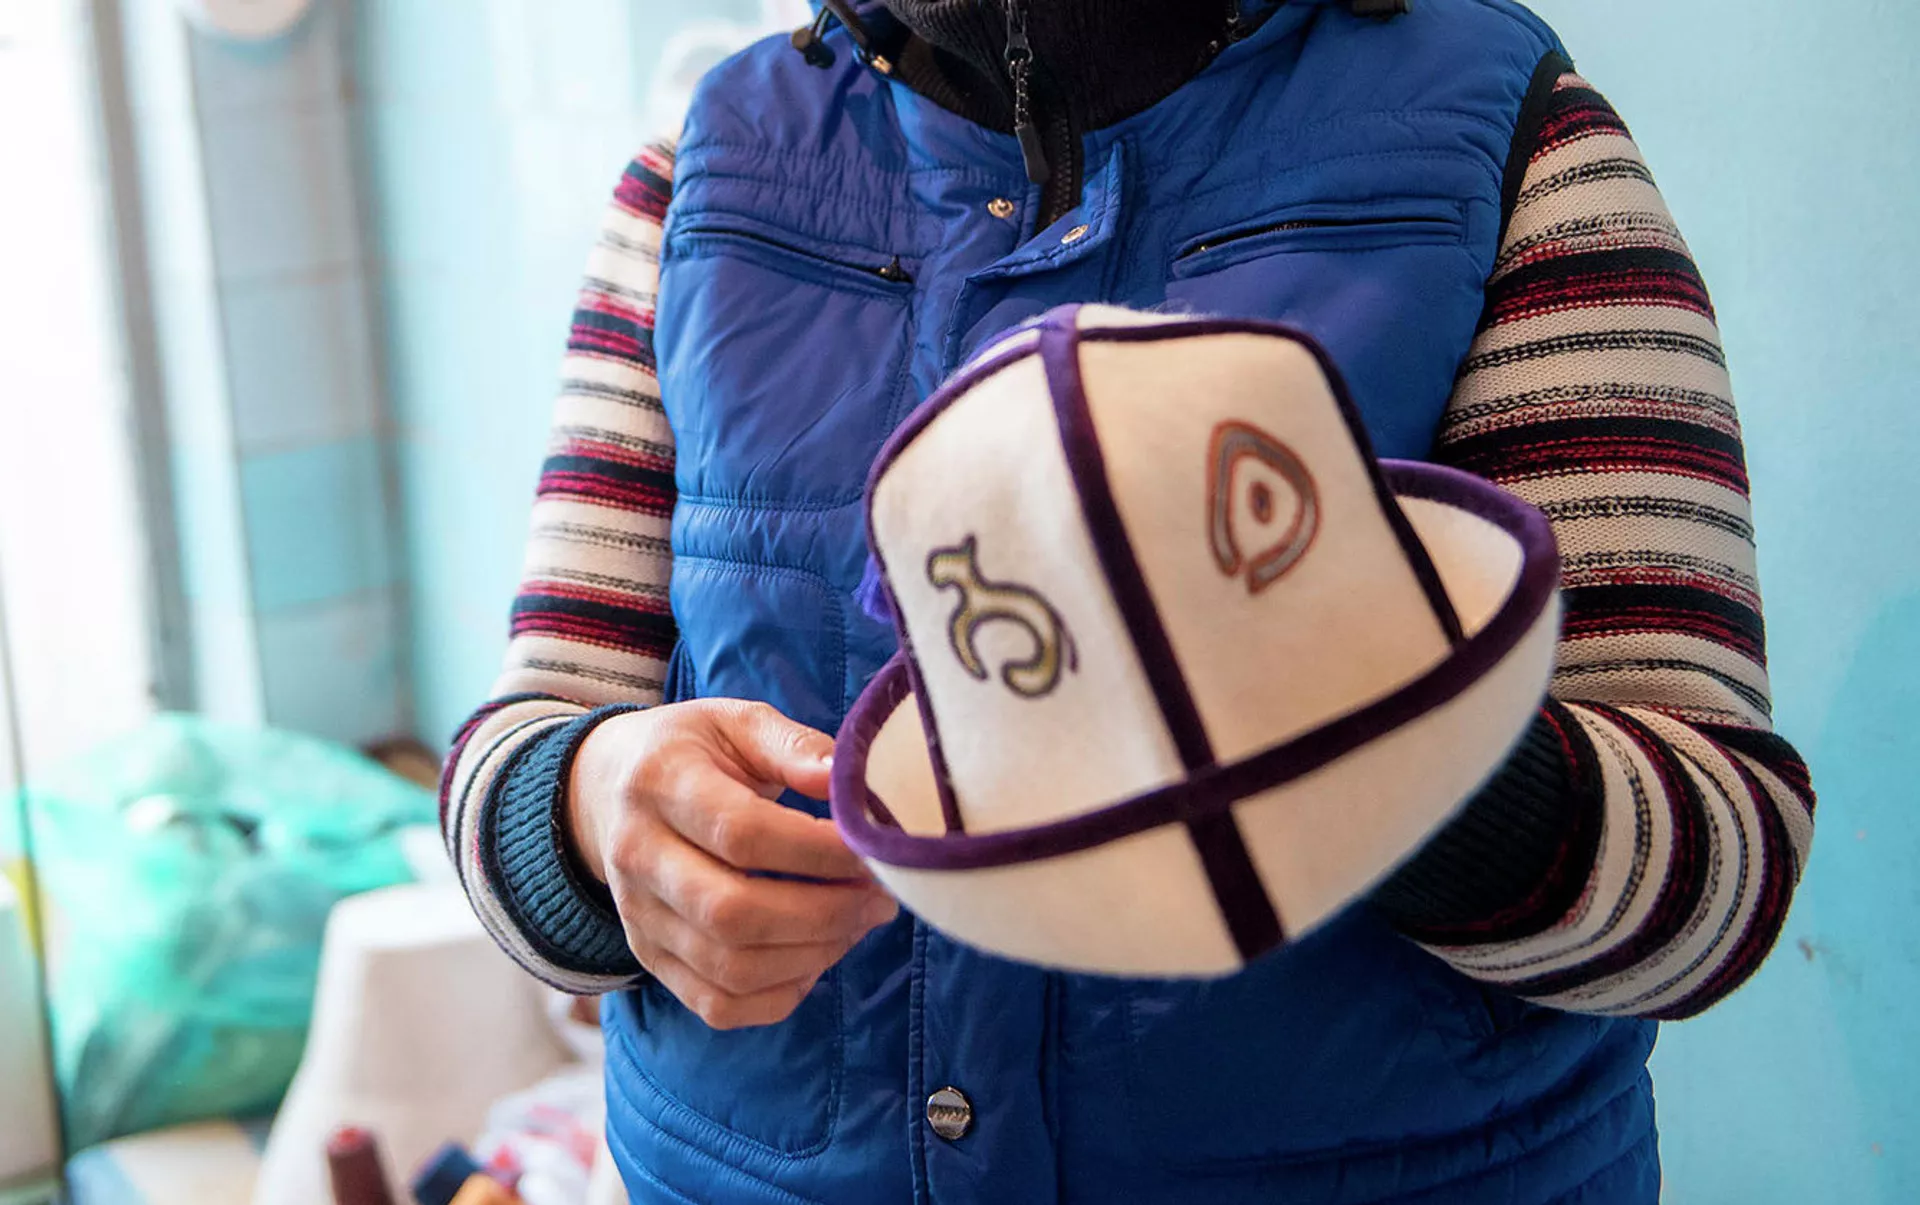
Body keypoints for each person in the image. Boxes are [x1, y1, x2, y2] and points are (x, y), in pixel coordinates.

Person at [441, 3, 1816, 1201]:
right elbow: (525, 742)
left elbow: (1719, 871)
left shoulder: (1505, 136)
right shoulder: (701, 173)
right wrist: (589, 813)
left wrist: (1373, 748)